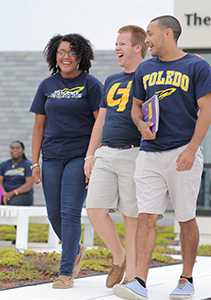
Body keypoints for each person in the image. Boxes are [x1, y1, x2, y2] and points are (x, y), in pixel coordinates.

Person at [113, 15, 211, 300]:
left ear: (167, 33)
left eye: (150, 33)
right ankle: (139, 282)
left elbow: (206, 110)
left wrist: (192, 149)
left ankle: (186, 279)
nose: (146, 40)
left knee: (185, 218)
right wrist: (140, 124)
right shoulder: (145, 68)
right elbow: (136, 107)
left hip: (183, 151)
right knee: (146, 216)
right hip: (149, 154)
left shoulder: (197, 65)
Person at [30, 33, 103, 289]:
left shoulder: (91, 85)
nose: (66, 56)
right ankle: (75, 248)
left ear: (81, 56)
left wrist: (92, 156)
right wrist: (35, 162)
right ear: (55, 56)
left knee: (70, 211)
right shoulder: (47, 86)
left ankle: (65, 273)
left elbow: (100, 123)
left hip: (79, 157)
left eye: (72, 52)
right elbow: (38, 127)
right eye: (62, 52)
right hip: (50, 157)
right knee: (53, 214)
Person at [84, 25, 147, 289]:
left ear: (138, 47)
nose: (117, 48)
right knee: (94, 210)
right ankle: (118, 256)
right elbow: (101, 121)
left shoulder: (150, 76)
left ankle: (132, 276)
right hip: (106, 152)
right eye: (116, 43)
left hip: (135, 152)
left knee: (131, 217)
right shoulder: (111, 80)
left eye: (122, 43)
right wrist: (90, 155)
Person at [0, 140, 35, 243]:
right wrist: (4, 193)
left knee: (13, 205)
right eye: (12, 148)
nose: (14, 150)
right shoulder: (4, 165)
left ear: (22, 150)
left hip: (23, 195)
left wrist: (13, 193)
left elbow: (29, 184)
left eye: (17, 148)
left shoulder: (27, 164)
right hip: (5, 194)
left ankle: (20, 236)